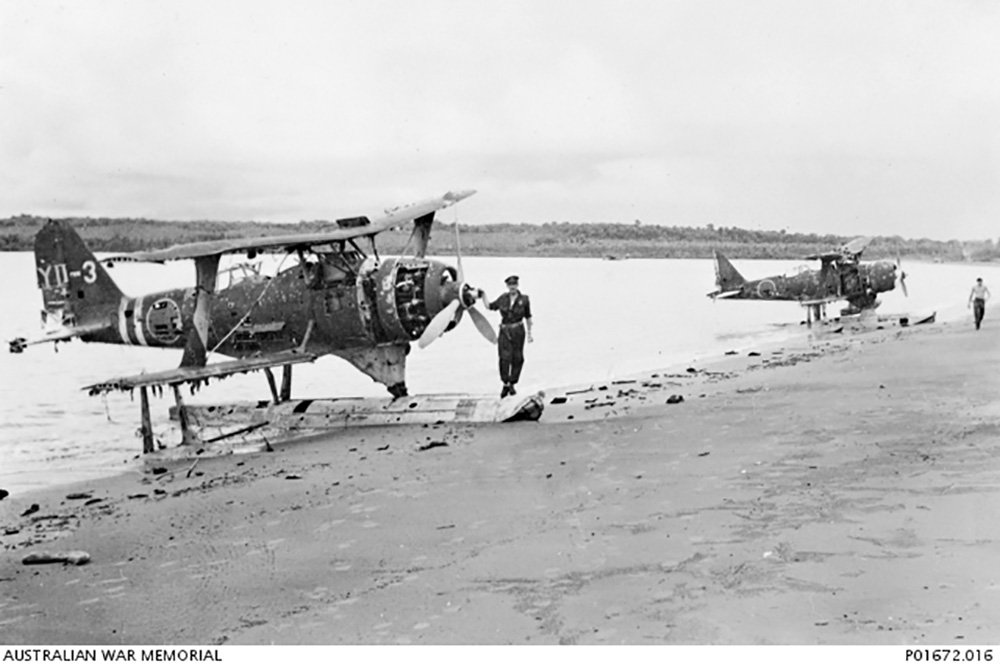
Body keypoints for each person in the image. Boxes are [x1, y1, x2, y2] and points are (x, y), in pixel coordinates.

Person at [479, 275, 533, 398]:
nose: (512, 287)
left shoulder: (524, 299)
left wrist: (530, 333)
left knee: (517, 357)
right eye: (510, 285)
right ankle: (505, 383)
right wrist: (483, 296)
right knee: (504, 357)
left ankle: (513, 383)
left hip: (518, 330)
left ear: (517, 285)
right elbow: (489, 306)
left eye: (514, 284)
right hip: (504, 331)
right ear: (507, 286)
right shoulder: (503, 298)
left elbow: (528, 317)